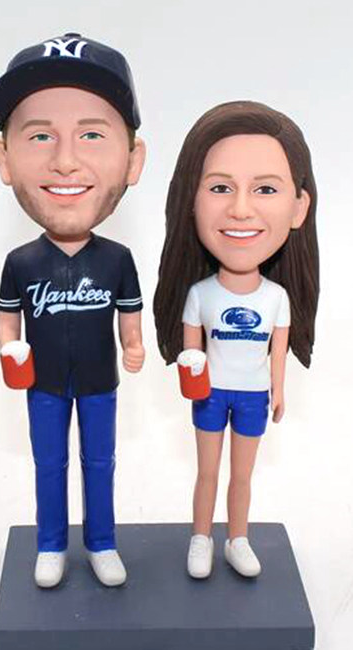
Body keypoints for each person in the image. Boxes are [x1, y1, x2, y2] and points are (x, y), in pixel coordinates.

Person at [0, 33, 146, 588]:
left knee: (100, 463)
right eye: (40, 135)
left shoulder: (117, 259)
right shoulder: (22, 261)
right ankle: (51, 544)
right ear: (4, 159)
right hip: (44, 383)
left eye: (93, 134)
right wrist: (8, 346)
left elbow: (129, 311)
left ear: (133, 160)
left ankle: (102, 542)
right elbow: (8, 317)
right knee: (48, 465)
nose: (66, 161)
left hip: (100, 380)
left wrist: (133, 344)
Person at [154, 100, 319, 579]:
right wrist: (190, 377)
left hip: (252, 395)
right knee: (207, 471)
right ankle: (201, 537)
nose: (241, 209)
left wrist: (279, 390)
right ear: (191, 199)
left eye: (265, 188)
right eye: (220, 187)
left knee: (242, 475)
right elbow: (192, 349)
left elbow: (277, 350)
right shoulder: (200, 294)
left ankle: (238, 538)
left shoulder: (276, 298)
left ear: (298, 207)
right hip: (210, 393)